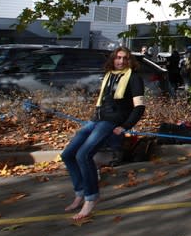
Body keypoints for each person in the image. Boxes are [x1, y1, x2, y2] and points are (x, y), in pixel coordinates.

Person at [61, 47, 145, 220]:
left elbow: (139, 107)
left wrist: (126, 126)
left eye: (125, 58)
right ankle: (80, 192)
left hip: (112, 121)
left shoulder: (134, 78)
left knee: (84, 155)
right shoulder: (109, 76)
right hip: (96, 119)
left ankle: (91, 197)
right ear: (113, 59)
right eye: (118, 58)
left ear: (130, 61)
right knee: (68, 154)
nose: (121, 61)